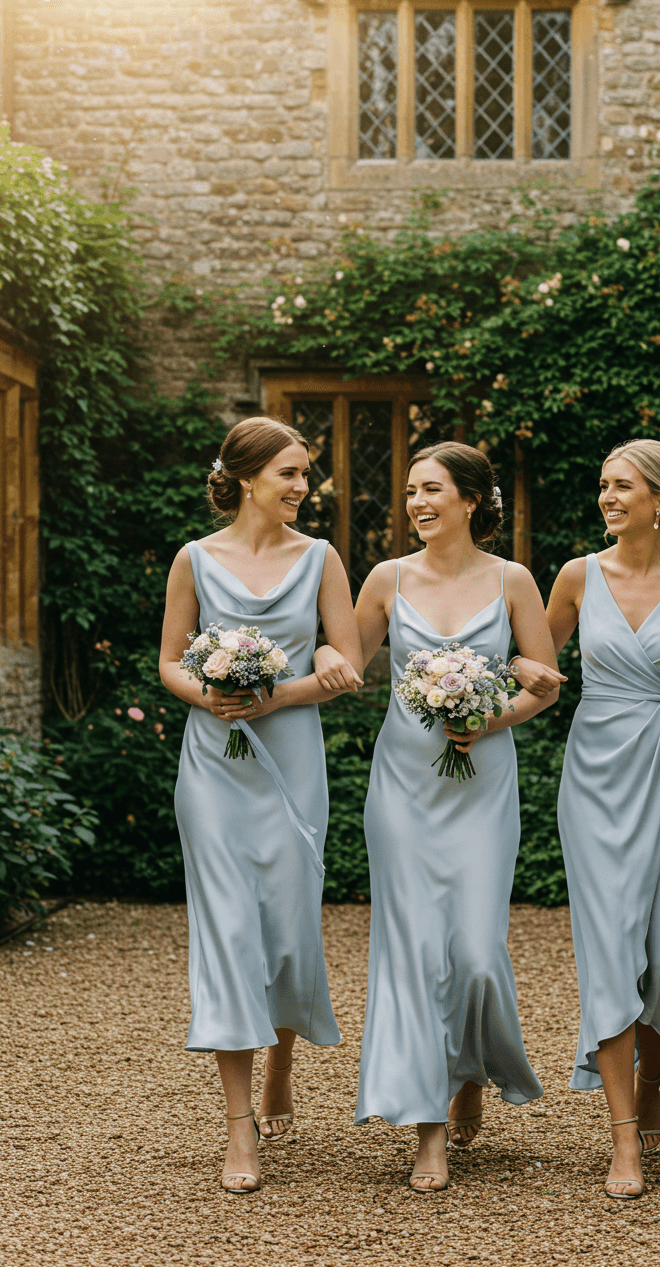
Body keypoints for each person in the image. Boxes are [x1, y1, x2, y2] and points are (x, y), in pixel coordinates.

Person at [316, 442, 558, 1193]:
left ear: (470, 500)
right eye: (412, 492)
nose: (418, 503)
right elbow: (347, 660)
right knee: (417, 952)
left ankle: (470, 1070)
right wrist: (321, 657)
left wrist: (495, 714)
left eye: (432, 491)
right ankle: (427, 1133)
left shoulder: (513, 580)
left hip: (483, 784)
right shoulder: (387, 579)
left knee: (479, 952)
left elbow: (546, 685)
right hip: (404, 787)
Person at [514, 438, 660, 1200]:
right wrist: (490, 691)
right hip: (596, 775)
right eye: (603, 485)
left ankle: (652, 1081)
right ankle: (623, 1141)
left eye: (623, 486)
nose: (607, 498)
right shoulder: (575, 576)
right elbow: (533, 662)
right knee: (608, 948)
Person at [159, 416, 363, 1194]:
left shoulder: (321, 559)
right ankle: (239, 1126)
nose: (303, 487)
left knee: (284, 932)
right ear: (247, 479)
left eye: (305, 474)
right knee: (230, 934)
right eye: (290, 474)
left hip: (292, 763)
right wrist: (209, 695)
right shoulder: (194, 559)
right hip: (213, 770)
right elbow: (170, 661)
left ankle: (283, 1056)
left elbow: (343, 666)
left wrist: (274, 692)